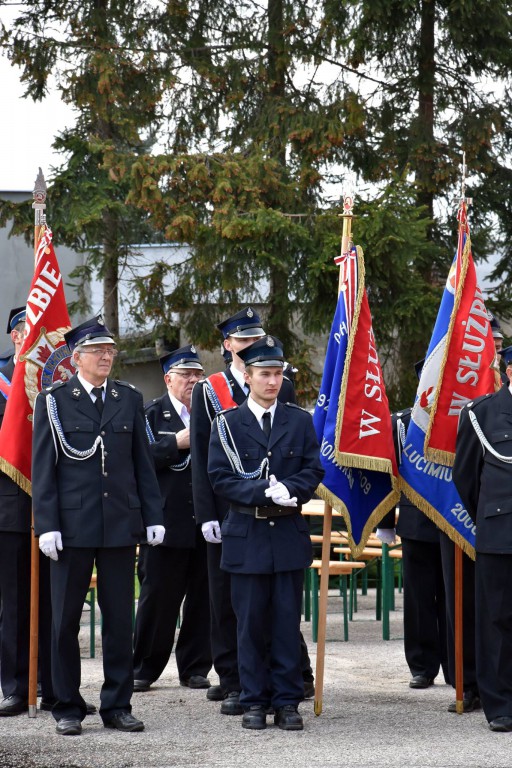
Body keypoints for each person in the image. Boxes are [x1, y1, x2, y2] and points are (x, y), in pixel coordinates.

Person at [32, 315, 165, 736]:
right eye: (97, 351)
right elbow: (44, 468)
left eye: (110, 350)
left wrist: (153, 516)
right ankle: (67, 706)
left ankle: (117, 704)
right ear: (77, 358)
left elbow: (142, 464)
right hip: (71, 527)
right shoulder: (53, 400)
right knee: (65, 620)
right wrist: (46, 523)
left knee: (119, 619)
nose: (107, 356)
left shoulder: (128, 397)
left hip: (119, 525)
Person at [190, 307, 313, 716]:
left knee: (284, 623)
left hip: (286, 535)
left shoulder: (297, 419)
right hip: (244, 532)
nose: (273, 381)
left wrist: (290, 488)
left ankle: (287, 701)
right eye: (264, 373)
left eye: (278, 374)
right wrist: (264, 491)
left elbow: (312, 468)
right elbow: (216, 475)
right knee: (247, 623)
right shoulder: (226, 419)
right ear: (248, 375)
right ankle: (252, 698)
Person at [133, 345, 212, 692]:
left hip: (205, 521)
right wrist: (173, 444)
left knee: (203, 597)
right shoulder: (150, 414)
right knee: (159, 597)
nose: (194, 380)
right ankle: (144, 667)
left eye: (198, 374)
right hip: (165, 522)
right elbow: (135, 462)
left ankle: (195, 667)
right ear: (168, 379)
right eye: (186, 375)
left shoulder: (212, 414)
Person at [453, 344, 512, 732]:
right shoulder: (481, 414)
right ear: (508, 370)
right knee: (498, 619)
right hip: (500, 531)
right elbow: (467, 478)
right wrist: (491, 518)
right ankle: (501, 704)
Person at [0, 308, 52, 715]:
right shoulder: (2, 383)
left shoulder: (56, 381)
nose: (29, 338)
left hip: (56, 511)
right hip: (9, 511)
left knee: (58, 602)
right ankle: (18, 687)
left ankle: (56, 685)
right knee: (16, 603)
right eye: (24, 331)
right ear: (15, 337)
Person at [378, 405, 449, 692]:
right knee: (418, 600)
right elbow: (389, 471)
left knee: (456, 597)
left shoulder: (461, 417)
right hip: (415, 520)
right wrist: (385, 521)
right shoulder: (403, 423)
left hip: (454, 519)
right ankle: (422, 666)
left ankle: (459, 668)